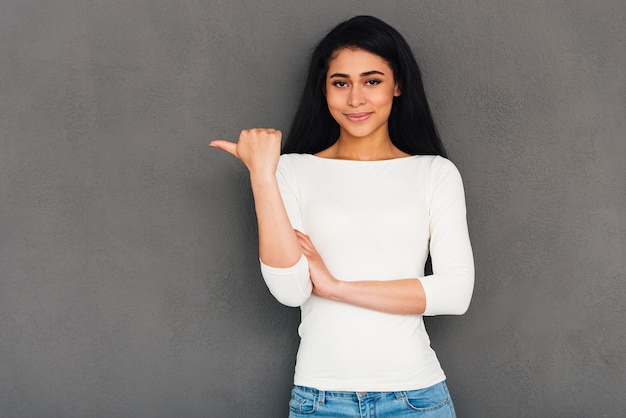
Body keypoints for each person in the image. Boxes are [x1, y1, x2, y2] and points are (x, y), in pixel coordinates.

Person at [210, 15, 474, 418]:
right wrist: (262, 175)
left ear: (397, 85)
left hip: (415, 400)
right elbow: (290, 290)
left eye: (372, 81)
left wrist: (335, 287)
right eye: (340, 83)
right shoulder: (291, 171)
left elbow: (455, 293)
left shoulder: (434, 173)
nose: (355, 99)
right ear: (324, 88)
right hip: (320, 401)